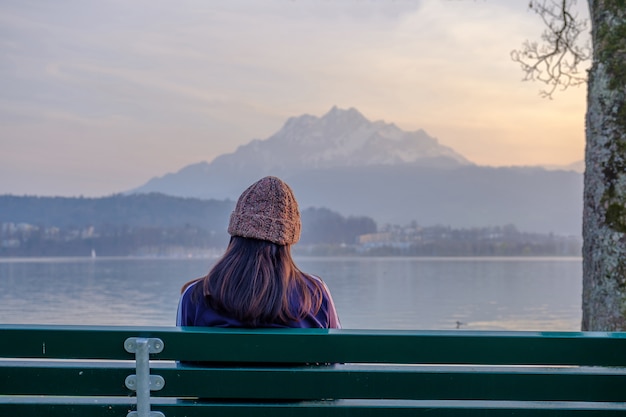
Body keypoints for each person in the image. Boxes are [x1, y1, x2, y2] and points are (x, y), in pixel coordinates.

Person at [177, 176, 341, 329]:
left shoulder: (195, 295)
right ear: (288, 240)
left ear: (236, 234)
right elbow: (338, 355)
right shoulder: (316, 294)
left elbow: (182, 357)